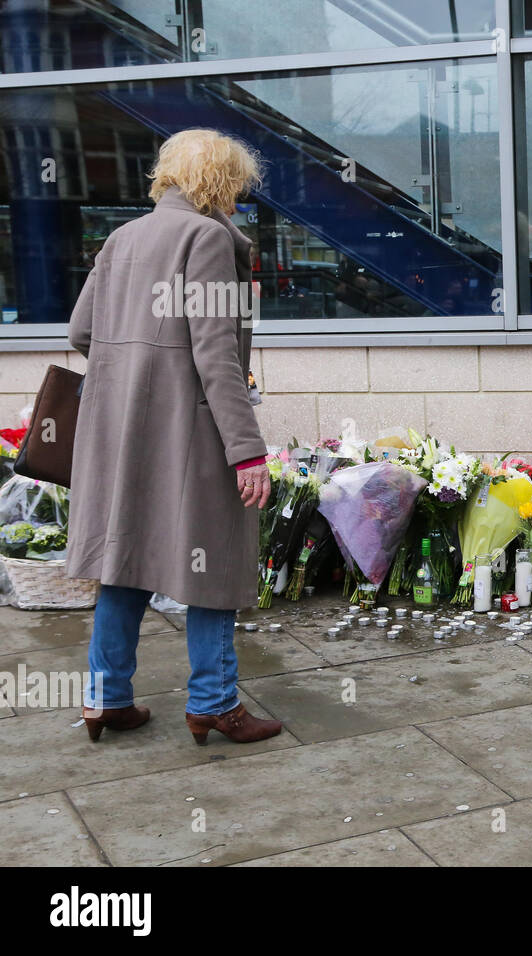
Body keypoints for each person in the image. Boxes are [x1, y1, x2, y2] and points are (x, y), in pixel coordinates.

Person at [68, 128, 283, 746]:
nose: (242, 196)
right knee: (213, 557)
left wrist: (140, 365)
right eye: (238, 184)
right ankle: (214, 703)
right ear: (218, 182)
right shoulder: (207, 238)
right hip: (190, 431)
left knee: (123, 560)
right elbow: (216, 357)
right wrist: (247, 452)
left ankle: (105, 700)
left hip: (119, 430)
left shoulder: (122, 237)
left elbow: (82, 331)